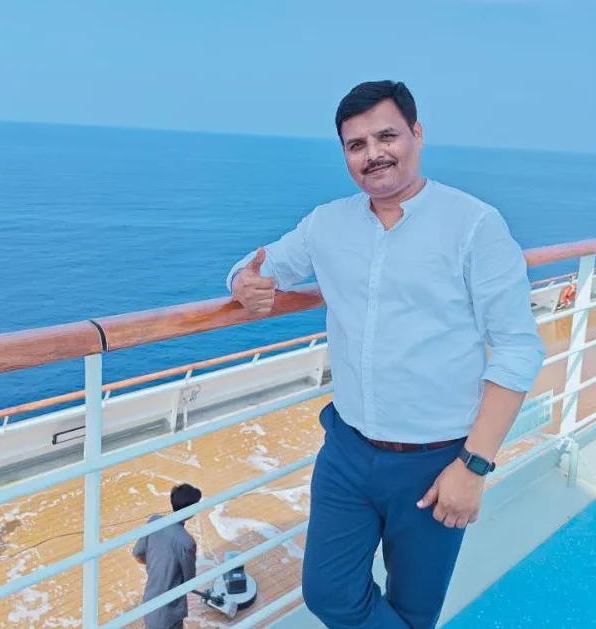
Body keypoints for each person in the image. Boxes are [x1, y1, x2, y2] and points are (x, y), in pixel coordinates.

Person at [225, 80, 545, 629]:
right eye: (356, 144)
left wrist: (473, 466)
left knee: (415, 611)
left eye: (386, 136)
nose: (373, 153)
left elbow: (518, 346)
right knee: (328, 593)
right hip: (347, 452)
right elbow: (258, 266)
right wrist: (241, 283)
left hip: (437, 461)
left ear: (416, 134)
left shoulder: (474, 225)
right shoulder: (327, 223)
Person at [132, 483, 202, 629]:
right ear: (192, 510)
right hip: (170, 611)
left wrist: (158, 565)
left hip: (150, 599)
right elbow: (189, 580)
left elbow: (138, 554)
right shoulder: (187, 543)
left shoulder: (154, 521)